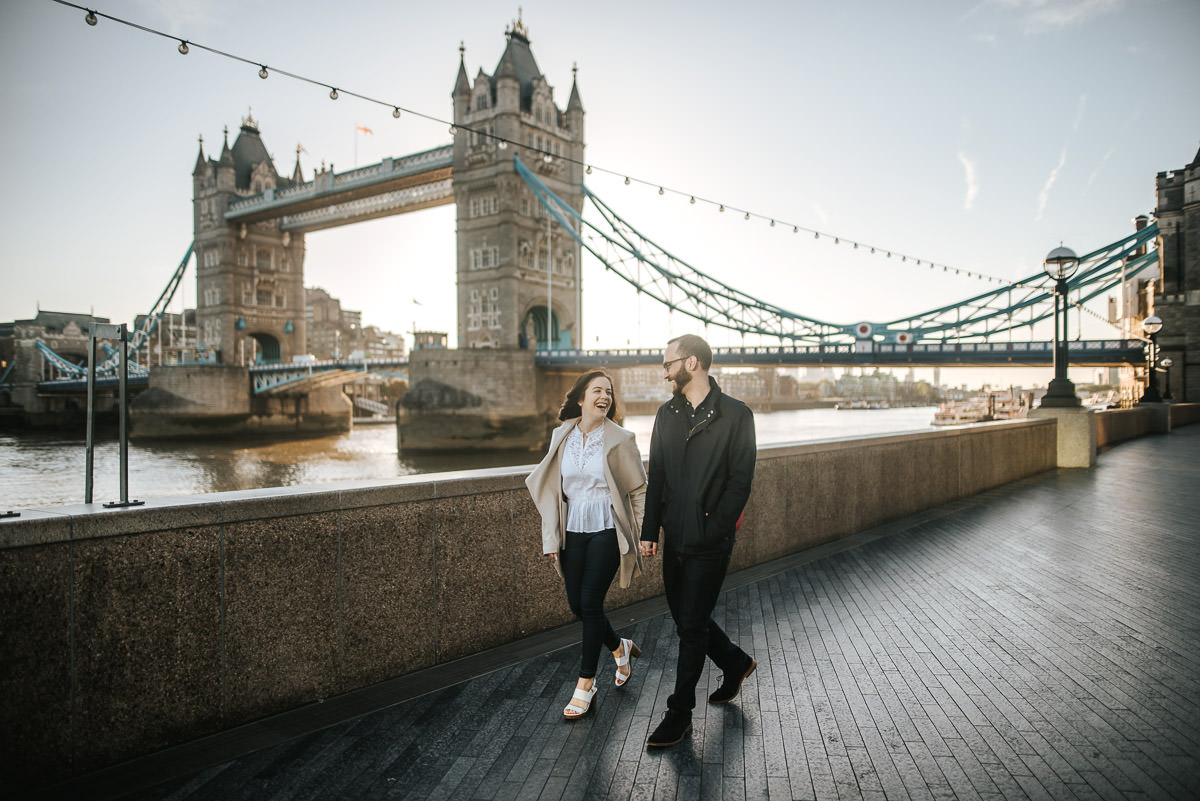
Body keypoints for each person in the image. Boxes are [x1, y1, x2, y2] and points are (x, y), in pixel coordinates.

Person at [639, 334, 757, 748]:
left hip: (711, 539)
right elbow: (658, 478)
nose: (664, 371)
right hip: (675, 535)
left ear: (691, 363)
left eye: (668, 363)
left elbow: (741, 481)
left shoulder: (737, 415)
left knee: (690, 627)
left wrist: (716, 527)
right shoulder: (665, 414)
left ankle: (679, 713)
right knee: (687, 617)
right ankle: (735, 661)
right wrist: (650, 530)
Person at [525, 369, 647, 720]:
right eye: (597, 390)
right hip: (572, 528)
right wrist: (551, 537)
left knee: (592, 601)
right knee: (578, 606)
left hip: (607, 527)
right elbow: (550, 492)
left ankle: (585, 684)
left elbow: (638, 489)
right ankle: (619, 646)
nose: (604, 396)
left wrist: (640, 534)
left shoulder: (621, 438)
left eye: (609, 391)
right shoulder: (561, 435)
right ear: (581, 398)